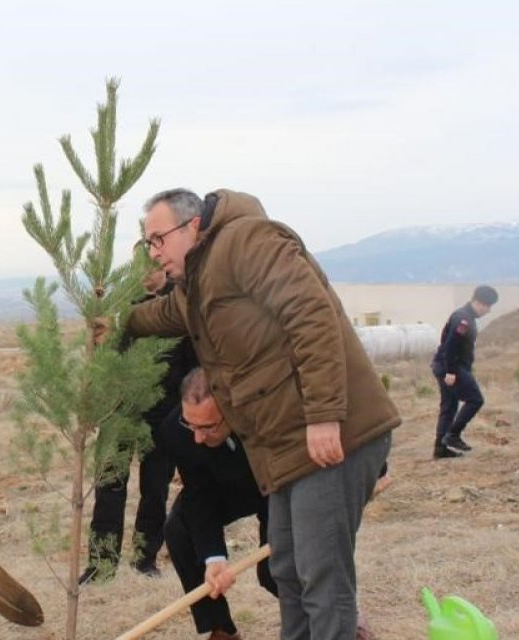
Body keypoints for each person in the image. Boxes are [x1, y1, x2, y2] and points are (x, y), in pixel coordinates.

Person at [125, 189, 396, 639]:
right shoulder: (199, 281)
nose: (153, 253)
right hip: (288, 445)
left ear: (193, 225)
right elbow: (167, 313)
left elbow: (310, 315)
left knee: (320, 576)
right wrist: (118, 322)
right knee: (287, 569)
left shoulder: (248, 241)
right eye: (147, 242)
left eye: (158, 239)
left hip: (329, 436)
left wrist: (324, 415)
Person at [82, 267, 196, 583]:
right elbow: (101, 359)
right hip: (118, 411)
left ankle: (145, 559)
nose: (144, 271)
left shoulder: (179, 302)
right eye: (138, 265)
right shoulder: (119, 304)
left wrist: (184, 410)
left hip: (163, 413)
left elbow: (192, 364)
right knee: (109, 487)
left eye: (151, 263)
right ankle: (101, 564)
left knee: (155, 489)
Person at [166, 368, 277, 640]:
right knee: (179, 528)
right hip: (221, 488)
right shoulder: (176, 430)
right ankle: (221, 628)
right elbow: (198, 494)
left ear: (230, 410)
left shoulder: (263, 411)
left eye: (207, 427)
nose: (197, 437)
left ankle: (337, 615)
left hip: (275, 485)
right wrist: (213, 557)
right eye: (191, 425)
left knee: (274, 571)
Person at [431, 285, 498, 459]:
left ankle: (440, 449)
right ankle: (453, 435)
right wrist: (450, 372)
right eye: (487, 306)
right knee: (475, 399)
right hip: (451, 367)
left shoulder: (465, 316)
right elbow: (450, 345)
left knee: (449, 407)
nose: (488, 310)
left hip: (445, 366)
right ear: (478, 302)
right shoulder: (463, 320)